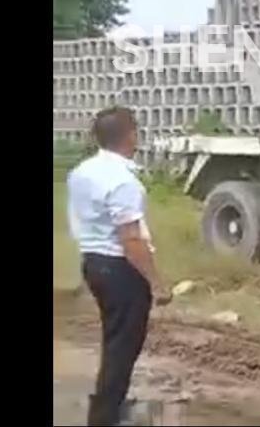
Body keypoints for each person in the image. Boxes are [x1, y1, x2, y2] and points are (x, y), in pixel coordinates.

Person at [67, 107, 171, 426]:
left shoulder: (82, 171)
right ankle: (105, 416)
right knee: (123, 347)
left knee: (115, 339)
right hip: (120, 269)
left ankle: (109, 404)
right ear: (130, 136)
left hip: (93, 262)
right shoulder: (124, 182)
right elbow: (131, 240)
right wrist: (156, 283)